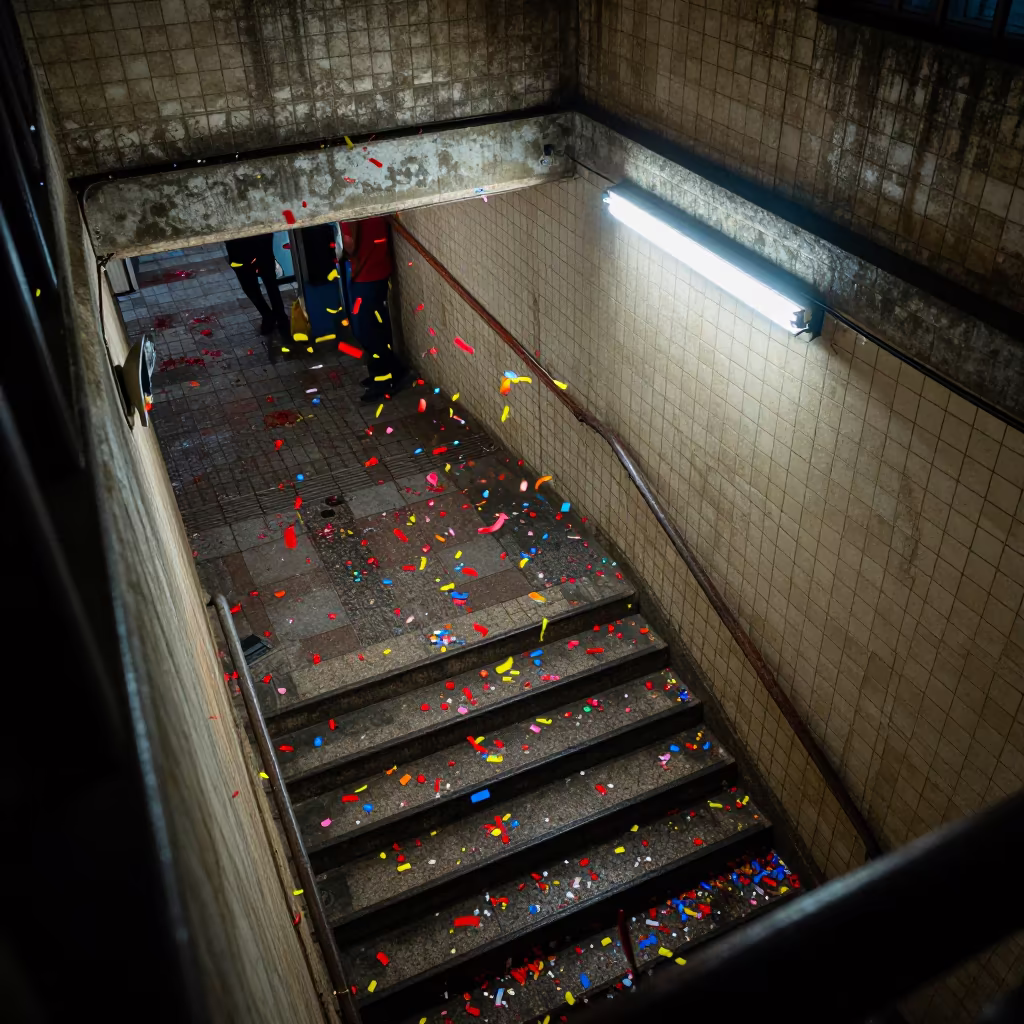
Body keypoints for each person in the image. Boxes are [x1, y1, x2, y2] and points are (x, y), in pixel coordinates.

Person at [340, 216, 409, 402]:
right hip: (378, 268)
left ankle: (384, 380)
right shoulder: (366, 199)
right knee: (377, 325)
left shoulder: (348, 209)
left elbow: (350, 245)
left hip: (366, 274)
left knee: (366, 331)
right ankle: (393, 370)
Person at [225, 233, 289, 335]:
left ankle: (272, 315)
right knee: (266, 280)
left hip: (243, 238)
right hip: (253, 236)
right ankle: (277, 315)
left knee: (254, 281)